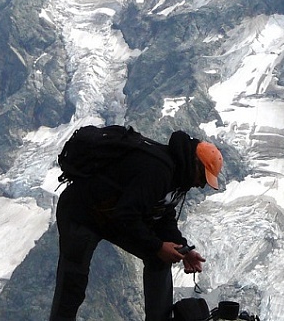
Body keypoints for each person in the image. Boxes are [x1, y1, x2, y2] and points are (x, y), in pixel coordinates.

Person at [49, 129, 224, 321]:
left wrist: (182, 248)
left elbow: (163, 214)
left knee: (161, 258)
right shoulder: (158, 171)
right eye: (203, 178)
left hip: (110, 215)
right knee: (73, 279)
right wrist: (157, 246)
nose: (201, 185)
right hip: (81, 212)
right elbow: (126, 216)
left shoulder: (178, 177)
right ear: (196, 164)